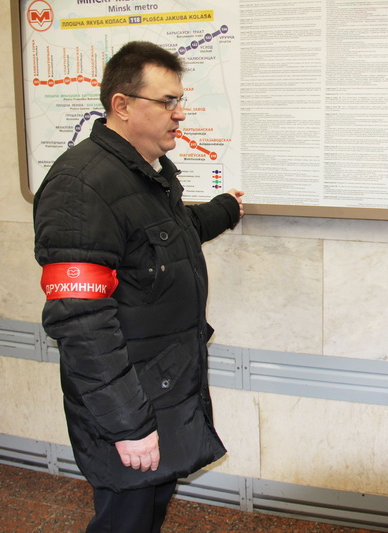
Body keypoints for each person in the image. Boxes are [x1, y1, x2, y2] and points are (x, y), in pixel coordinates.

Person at [33, 41, 244, 532]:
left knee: (148, 512)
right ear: (122, 105)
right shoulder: (82, 186)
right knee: (125, 520)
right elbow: (81, 322)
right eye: (167, 102)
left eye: (179, 101)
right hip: (127, 403)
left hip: (160, 387)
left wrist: (224, 210)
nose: (180, 114)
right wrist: (128, 425)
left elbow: (169, 235)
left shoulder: (142, 174)